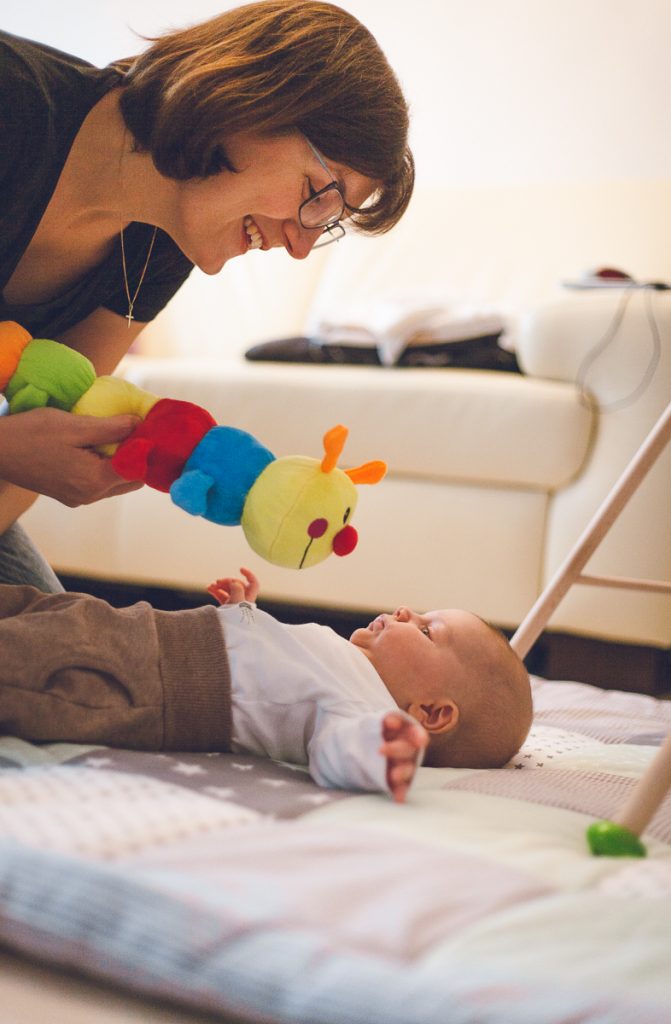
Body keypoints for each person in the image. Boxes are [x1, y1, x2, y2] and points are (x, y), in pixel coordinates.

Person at [0, 0, 414, 591]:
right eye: (319, 196)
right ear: (251, 100)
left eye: (328, 223)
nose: (300, 247)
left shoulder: (162, 244)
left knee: (69, 652)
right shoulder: (13, 107)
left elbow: (55, 422)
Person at [0, 568, 532, 802]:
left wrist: (387, 750)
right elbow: (272, 665)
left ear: (432, 714)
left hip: (151, 680)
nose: (403, 611)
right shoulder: (346, 662)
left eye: (425, 629)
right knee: (35, 609)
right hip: (142, 634)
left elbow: (339, 752)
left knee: (27, 661)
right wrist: (245, 613)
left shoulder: (362, 706)